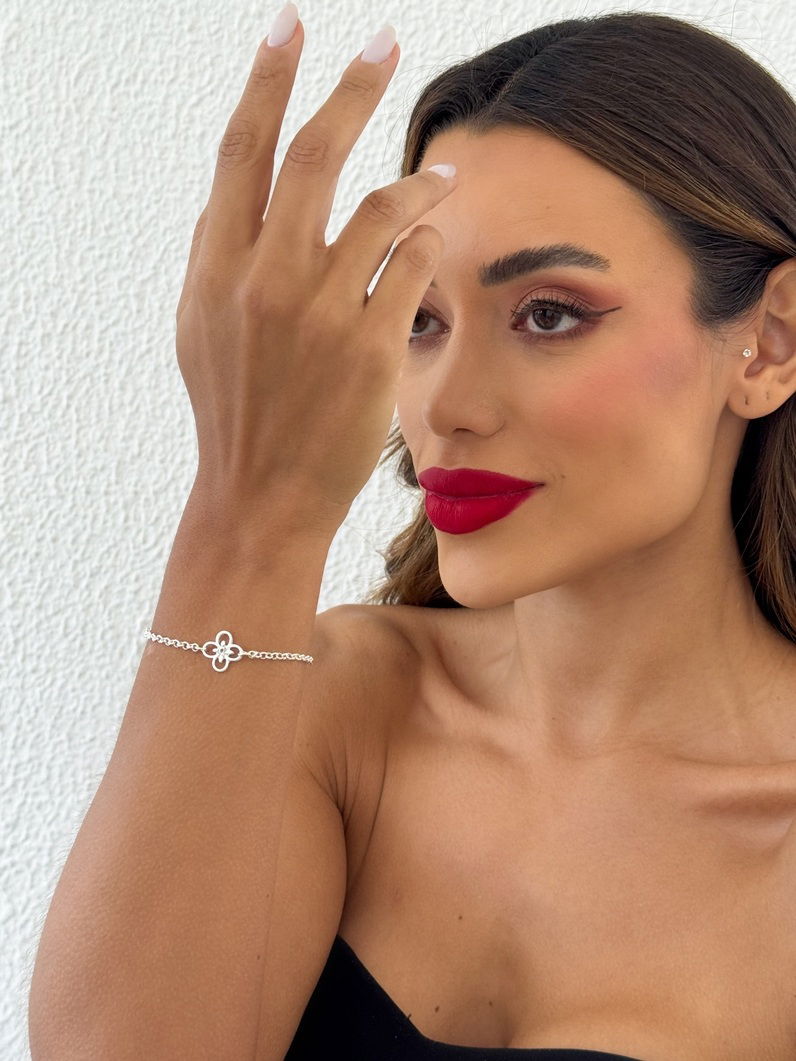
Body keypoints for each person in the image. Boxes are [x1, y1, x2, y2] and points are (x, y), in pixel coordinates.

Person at [28, 4, 796, 1061]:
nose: (447, 405)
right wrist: (249, 510)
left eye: (549, 313)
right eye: (420, 321)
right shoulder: (334, 706)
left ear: (770, 341)